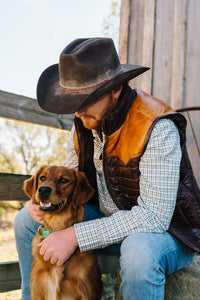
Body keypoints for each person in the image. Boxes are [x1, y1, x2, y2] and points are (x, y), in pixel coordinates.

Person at [14, 37, 200, 300]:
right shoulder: (84, 122)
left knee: (138, 251)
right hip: (107, 220)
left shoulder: (156, 126)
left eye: (86, 99)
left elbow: (154, 216)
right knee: (25, 221)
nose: (78, 112)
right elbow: (67, 179)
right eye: (73, 101)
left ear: (116, 89)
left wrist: (75, 235)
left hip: (167, 232)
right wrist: (41, 203)